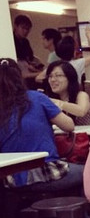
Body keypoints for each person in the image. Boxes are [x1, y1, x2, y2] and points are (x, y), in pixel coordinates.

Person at [0, 58, 83, 192]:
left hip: (10, 180)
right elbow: (69, 126)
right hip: (46, 171)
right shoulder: (37, 97)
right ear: (19, 77)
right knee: (88, 172)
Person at [46, 61, 90, 125]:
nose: (53, 80)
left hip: (85, 131)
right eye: (50, 76)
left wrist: (58, 103)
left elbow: (81, 111)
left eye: (58, 75)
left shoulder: (81, 95)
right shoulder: (49, 98)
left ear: (70, 78)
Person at [12, 14, 43, 88]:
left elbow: (30, 57)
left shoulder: (25, 42)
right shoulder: (11, 40)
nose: (25, 31)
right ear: (16, 26)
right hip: (17, 73)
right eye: (23, 28)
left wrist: (33, 64)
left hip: (28, 72)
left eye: (28, 29)